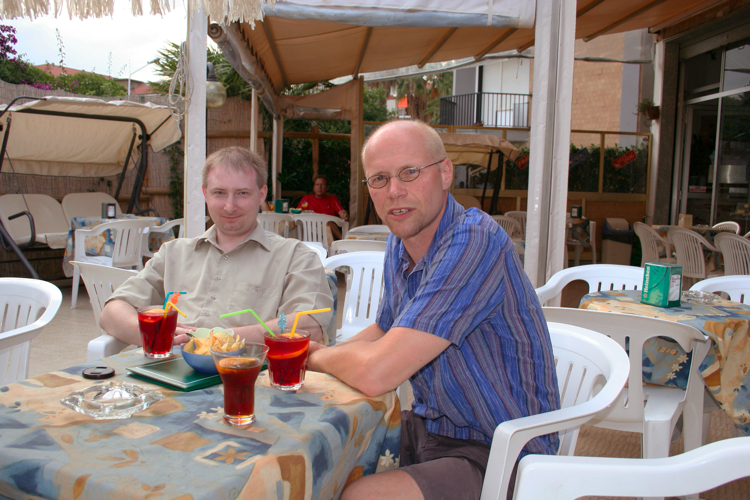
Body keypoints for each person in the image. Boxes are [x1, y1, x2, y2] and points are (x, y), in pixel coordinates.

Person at [306, 120, 559, 500]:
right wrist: (311, 357)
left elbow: (377, 372)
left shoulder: (475, 240)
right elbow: (383, 330)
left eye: (410, 172)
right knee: (319, 457)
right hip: (432, 427)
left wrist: (314, 356)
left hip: (502, 449)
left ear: (445, 173)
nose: (394, 190)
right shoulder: (401, 241)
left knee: (362, 496)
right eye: (379, 179)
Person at [100, 146, 333, 347]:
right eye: (219, 193)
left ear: (261, 194)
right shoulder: (173, 253)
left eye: (242, 193)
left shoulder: (294, 256)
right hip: (170, 370)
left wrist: (219, 339)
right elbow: (112, 312)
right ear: (205, 193)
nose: (229, 206)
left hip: (249, 375)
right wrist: (157, 334)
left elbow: (310, 325)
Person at [297, 175, 348, 239]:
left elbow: (341, 211)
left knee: (327, 222)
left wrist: (343, 213)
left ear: (327, 187)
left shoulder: (333, 199)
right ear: (313, 187)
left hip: (328, 226)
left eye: (322, 185)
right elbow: (297, 212)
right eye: (317, 184)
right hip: (309, 227)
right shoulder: (306, 199)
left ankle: (343, 241)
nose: (319, 187)